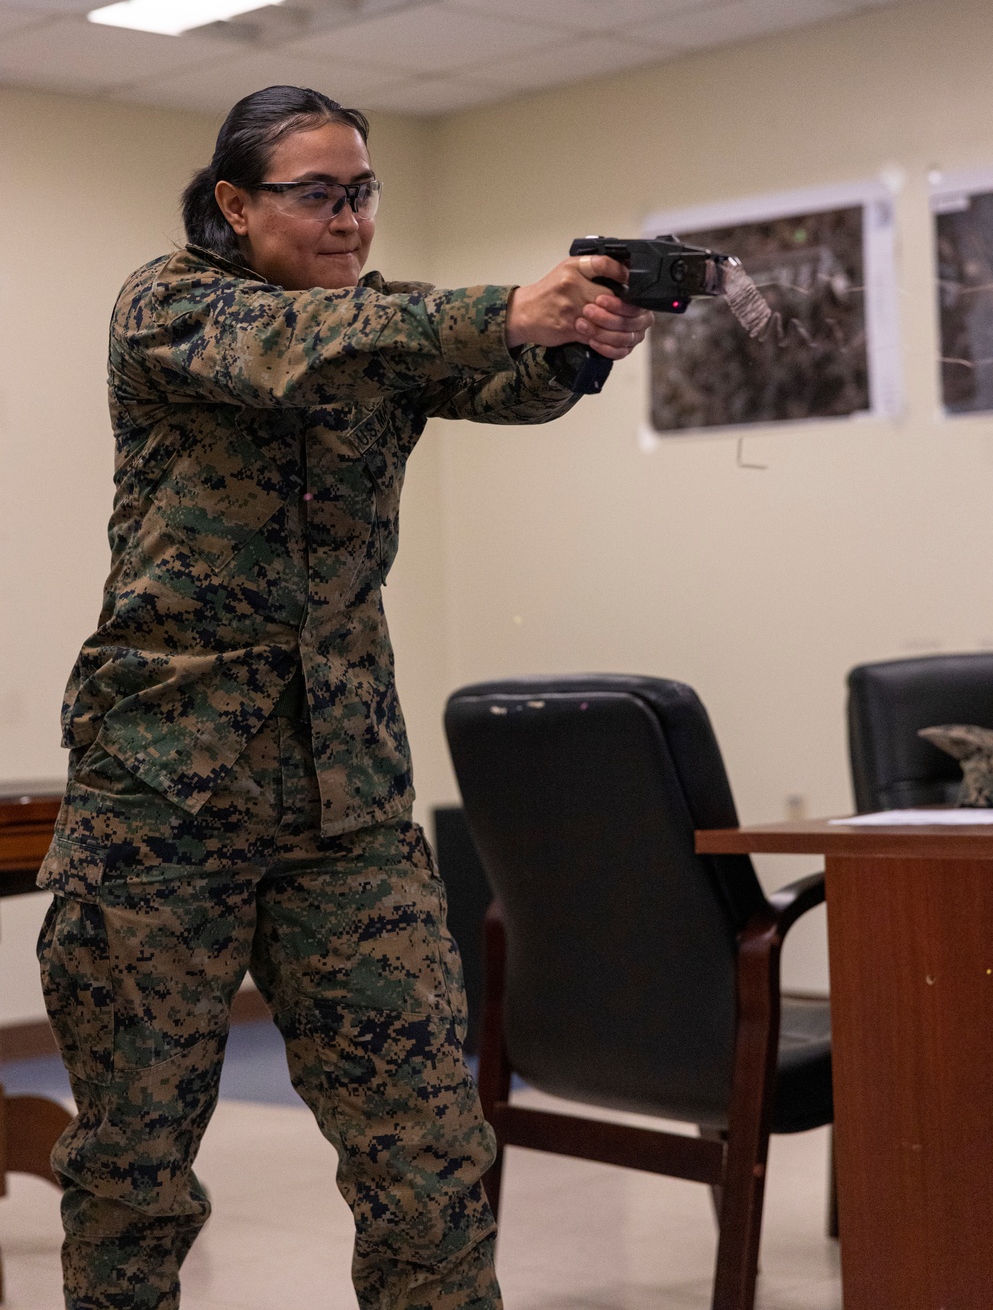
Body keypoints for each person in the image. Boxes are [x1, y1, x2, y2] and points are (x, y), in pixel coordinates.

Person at [37, 84, 653, 1310]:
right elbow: (294, 353)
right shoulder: (172, 306)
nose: (351, 218)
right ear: (233, 202)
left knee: (430, 1156)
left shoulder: (383, 323)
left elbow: (500, 380)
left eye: (363, 191)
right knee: (134, 1170)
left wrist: (582, 333)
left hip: (348, 806)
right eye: (319, 193)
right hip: (165, 793)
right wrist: (498, 311)